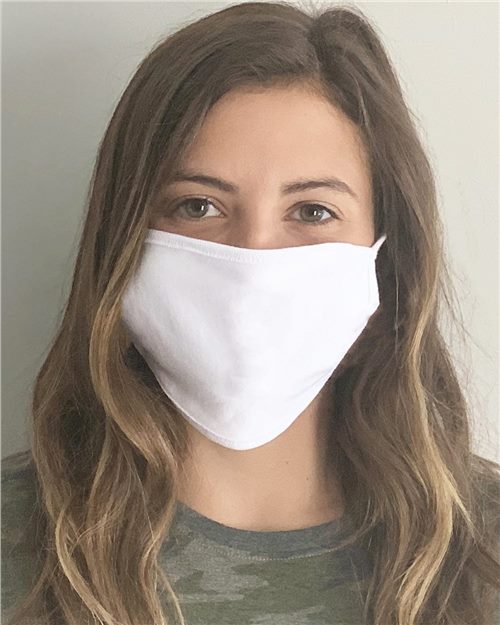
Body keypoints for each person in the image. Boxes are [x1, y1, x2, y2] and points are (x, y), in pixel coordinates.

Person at [2, 2, 499, 625]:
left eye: (313, 212)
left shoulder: (482, 554)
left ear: (386, 258)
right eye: (198, 206)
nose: (253, 259)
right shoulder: (16, 546)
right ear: (122, 240)